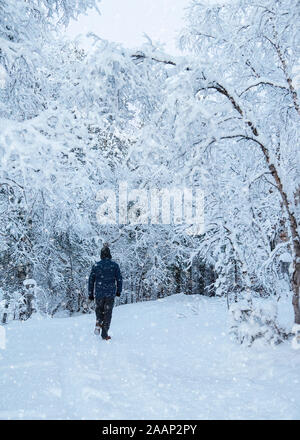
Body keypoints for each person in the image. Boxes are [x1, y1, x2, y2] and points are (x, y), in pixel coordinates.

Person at [88, 244, 122, 340]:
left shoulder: (96, 266)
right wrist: (118, 291)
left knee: (99, 309)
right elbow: (119, 279)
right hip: (110, 293)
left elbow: (91, 280)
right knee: (108, 313)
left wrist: (90, 294)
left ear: (101, 255)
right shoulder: (114, 266)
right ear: (109, 255)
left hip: (99, 293)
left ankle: (99, 321)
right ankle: (105, 333)